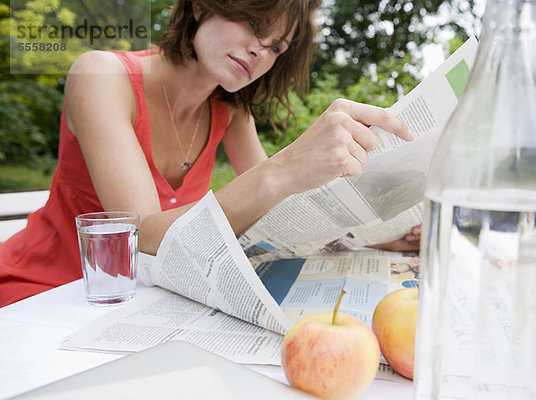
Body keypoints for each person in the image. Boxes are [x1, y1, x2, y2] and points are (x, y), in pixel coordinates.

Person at [0, 0, 420, 307]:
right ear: (202, 6)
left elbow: (280, 218)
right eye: (254, 23)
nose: (261, 52)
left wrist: (375, 237)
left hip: (147, 300)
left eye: (277, 47)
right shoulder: (101, 75)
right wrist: (286, 166)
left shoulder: (229, 111)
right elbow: (140, 235)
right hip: (48, 292)